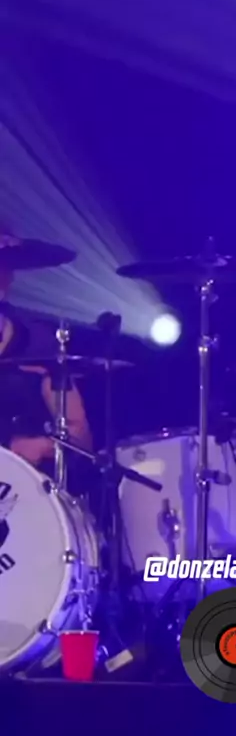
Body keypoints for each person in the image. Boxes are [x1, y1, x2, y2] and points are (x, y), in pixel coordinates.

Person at [0, 229, 92, 539]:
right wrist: (9, 449)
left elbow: (78, 432)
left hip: (26, 506)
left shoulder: (36, 342)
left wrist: (50, 447)